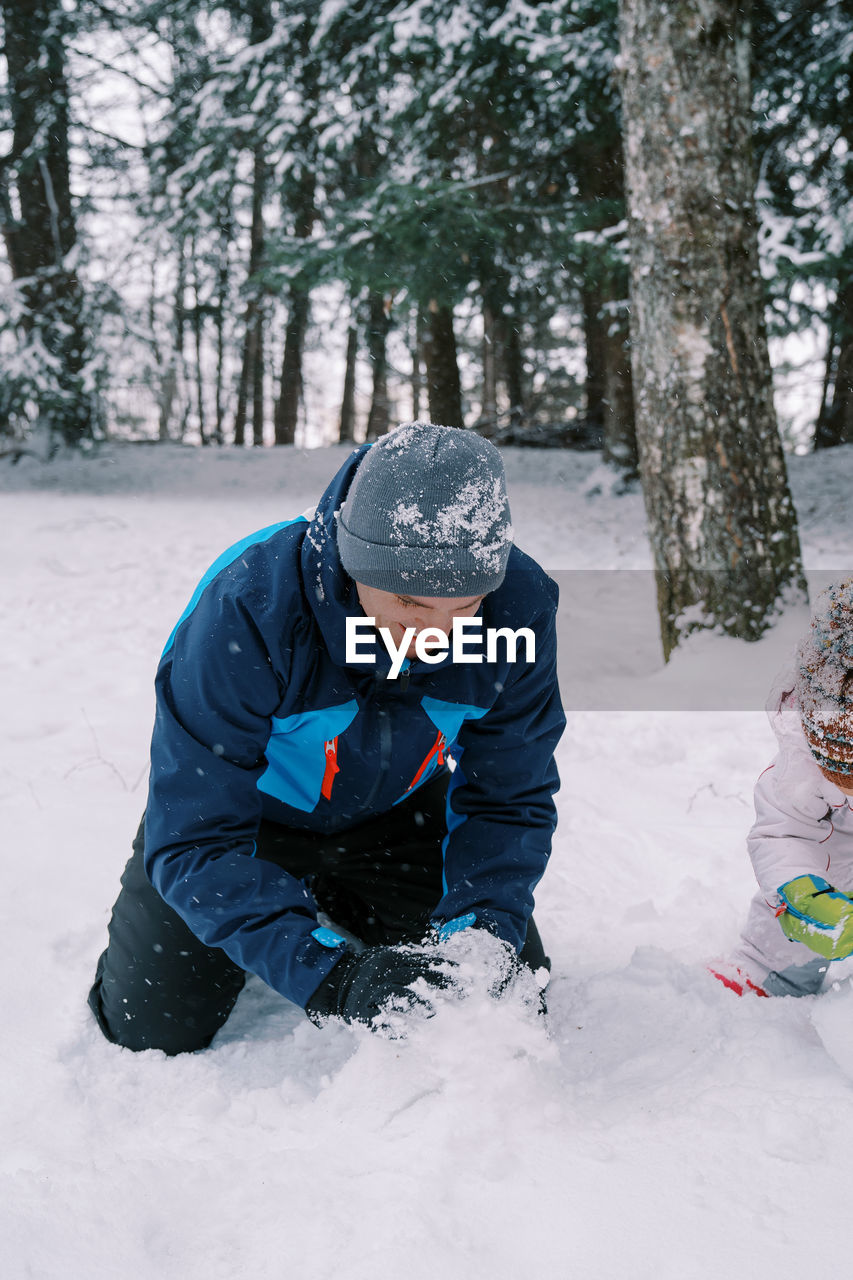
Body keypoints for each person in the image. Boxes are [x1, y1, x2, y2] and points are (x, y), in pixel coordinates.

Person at [88, 422, 565, 1052]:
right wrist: (332, 977)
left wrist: (481, 928)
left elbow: (509, 794)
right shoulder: (250, 604)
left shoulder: (518, 608)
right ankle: (292, 905)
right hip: (247, 824)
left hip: (399, 818)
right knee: (151, 1026)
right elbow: (194, 835)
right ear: (352, 558)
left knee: (503, 982)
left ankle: (344, 893)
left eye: (464, 607)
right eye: (409, 605)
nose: (436, 635)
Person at [711, 579, 853, 998]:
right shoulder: (805, 761)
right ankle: (770, 972)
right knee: (818, 878)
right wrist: (800, 887)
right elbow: (783, 830)